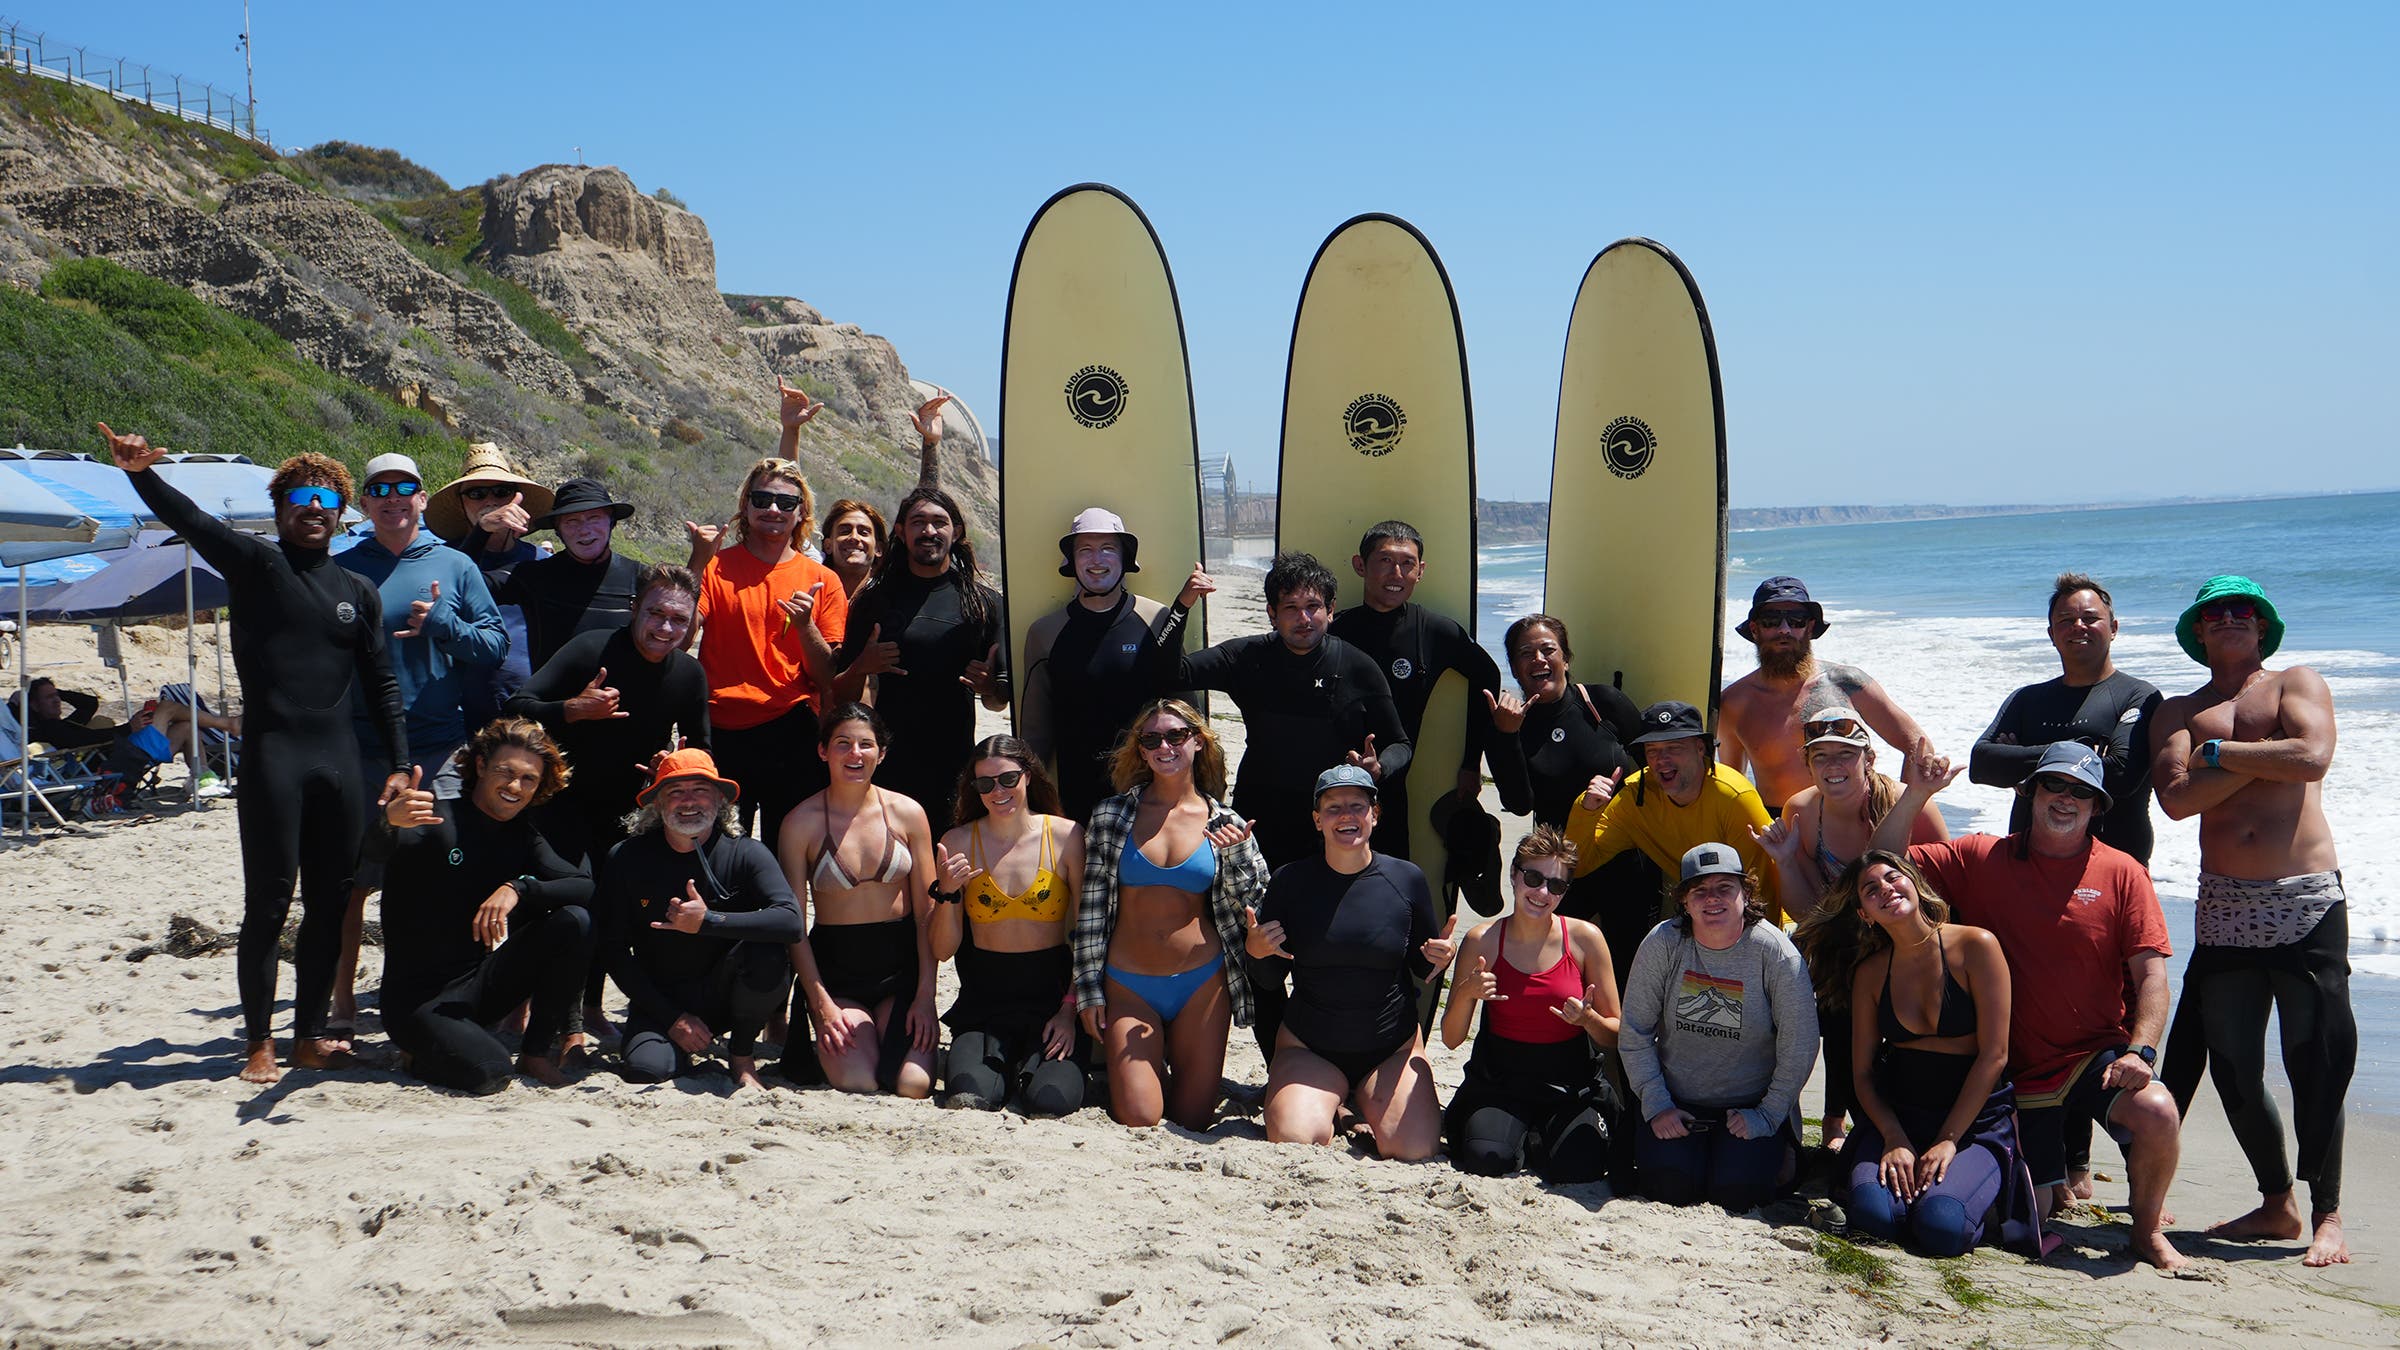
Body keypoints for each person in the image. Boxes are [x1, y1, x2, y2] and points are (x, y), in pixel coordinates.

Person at [100, 423, 410, 1084]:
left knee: (333, 905)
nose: (313, 510)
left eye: (326, 501)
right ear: (280, 509)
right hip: (275, 760)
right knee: (268, 905)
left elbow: (382, 683)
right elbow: (192, 520)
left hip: (341, 764)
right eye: (300, 499)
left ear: (341, 513)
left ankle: (308, 1037)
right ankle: (259, 1043)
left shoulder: (359, 592)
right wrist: (139, 473)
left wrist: (403, 761)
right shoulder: (255, 565)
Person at [1869, 744, 2187, 1271]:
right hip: (2008, 1074)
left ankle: (2147, 1229)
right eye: (2055, 786)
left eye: (2082, 792)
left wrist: (2142, 1050)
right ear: (2030, 792)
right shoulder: (1981, 858)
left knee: (2156, 1110)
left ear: (2097, 807)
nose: (2067, 799)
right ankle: (2037, 1183)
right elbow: (1881, 865)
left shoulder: (2123, 872)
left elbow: (2152, 973)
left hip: (2090, 1057)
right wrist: (1919, 794)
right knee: (2027, 1225)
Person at [2153, 576, 2353, 1267]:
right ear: (2198, 632)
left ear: (2262, 627)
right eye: (2216, 613)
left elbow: (2313, 757)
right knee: (2233, 1065)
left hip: (2304, 900)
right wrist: (2265, 758)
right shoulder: (2177, 710)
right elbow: (2177, 802)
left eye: (2244, 611)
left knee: (2316, 1060)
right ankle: (2277, 1203)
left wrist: (2220, 754)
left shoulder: (2297, 681)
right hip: (2223, 905)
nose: (2231, 619)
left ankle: (2327, 1214)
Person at [1145, 552, 1410, 1061]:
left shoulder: (1356, 665)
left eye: (1313, 606)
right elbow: (1165, 671)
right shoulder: (1249, 657)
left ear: (1331, 610)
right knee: (1260, 955)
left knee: (1328, 952)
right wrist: (1182, 605)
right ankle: (1282, 1066)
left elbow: (1400, 743)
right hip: (1258, 830)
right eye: (1290, 607)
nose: (1303, 617)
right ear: (1271, 612)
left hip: (1331, 834)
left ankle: (1334, 1058)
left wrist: (1380, 770)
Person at [331, 451, 508, 1039]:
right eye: (378, 488)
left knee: (447, 875)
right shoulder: (341, 564)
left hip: (440, 746)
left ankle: (447, 995)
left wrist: (441, 625)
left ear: (423, 498)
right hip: (360, 747)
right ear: (365, 502)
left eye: (404, 486)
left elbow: (493, 645)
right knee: (353, 883)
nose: (392, 497)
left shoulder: (455, 565)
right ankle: (341, 1005)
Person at [1796, 851, 2045, 1257]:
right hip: (1900, 1118)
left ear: (1914, 882)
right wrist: (1893, 1137)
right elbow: (1862, 1073)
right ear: (1865, 914)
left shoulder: (1976, 945)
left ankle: (1978, 1200)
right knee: (1875, 1218)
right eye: (1871, 890)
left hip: (1974, 1125)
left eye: (1893, 878)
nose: (1886, 890)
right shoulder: (1871, 973)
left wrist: (1948, 1139)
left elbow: (1994, 1056)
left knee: (1940, 1227)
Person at [507, 564, 712, 1047]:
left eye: (679, 620)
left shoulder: (688, 673)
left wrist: (675, 763)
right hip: (562, 801)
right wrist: (572, 709)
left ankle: (589, 1011)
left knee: (609, 909)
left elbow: (702, 746)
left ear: (691, 626)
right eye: (655, 613)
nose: (665, 628)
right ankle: (518, 1005)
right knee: (547, 898)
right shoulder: (591, 649)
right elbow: (517, 703)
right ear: (634, 609)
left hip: (626, 810)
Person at [1752, 705, 1949, 1152]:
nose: (1833, 766)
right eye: (1820, 756)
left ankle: (1890, 1116)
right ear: (1807, 764)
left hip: (1908, 937)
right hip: (1841, 938)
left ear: (1869, 759)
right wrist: (1784, 861)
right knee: (1828, 995)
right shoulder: (1802, 810)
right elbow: (1808, 912)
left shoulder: (1912, 803)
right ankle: (1830, 1118)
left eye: (1846, 754)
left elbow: (1945, 892)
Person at [1072, 699, 1268, 1129]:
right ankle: (1146, 1071)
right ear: (1140, 750)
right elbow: (1090, 910)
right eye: (1152, 738)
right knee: (1140, 1116)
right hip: (1128, 983)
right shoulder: (1111, 815)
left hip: (1203, 982)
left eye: (1176, 736)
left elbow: (1254, 907)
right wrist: (1089, 990)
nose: (1165, 746)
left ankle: (1163, 1068)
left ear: (1198, 742)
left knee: (1192, 1119)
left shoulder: (1226, 822)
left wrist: (1234, 856)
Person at [377, 718, 593, 1094]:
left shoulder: (522, 834)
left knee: (575, 921)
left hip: (479, 987)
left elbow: (583, 886)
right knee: (490, 1073)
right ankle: (417, 1054)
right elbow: (366, 856)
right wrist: (386, 824)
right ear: (480, 766)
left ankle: (536, 1052)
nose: (514, 787)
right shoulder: (433, 820)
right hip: (419, 1002)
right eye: (505, 772)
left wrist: (518, 887)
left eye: (528, 779)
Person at [1244, 766, 1448, 1162]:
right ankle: (1335, 1104)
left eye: (1357, 805)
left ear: (1375, 814)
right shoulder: (1290, 881)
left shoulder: (1406, 879)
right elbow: (1269, 980)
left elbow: (1422, 967)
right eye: (1333, 807)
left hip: (1392, 1047)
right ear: (1318, 819)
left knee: (1413, 1148)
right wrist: (1256, 950)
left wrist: (1440, 958)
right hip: (1311, 1046)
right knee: (1294, 1138)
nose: (1346, 815)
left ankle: (1360, 1101)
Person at [1617, 844, 1817, 1212]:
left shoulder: (1775, 953)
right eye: (1699, 890)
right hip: (1676, 1100)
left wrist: (1769, 1114)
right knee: (1669, 1186)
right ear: (1684, 902)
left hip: (1751, 1104)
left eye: (1725, 887)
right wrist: (1657, 1104)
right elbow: (1634, 1031)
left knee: (1738, 1191)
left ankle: (1784, 1145)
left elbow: (1800, 1045)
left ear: (1746, 893)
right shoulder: (1663, 943)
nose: (1712, 899)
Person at [598, 749, 803, 1091]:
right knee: (646, 1069)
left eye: (700, 790)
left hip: (728, 992)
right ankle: (678, 1042)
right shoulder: (627, 858)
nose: (688, 801)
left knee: (768, 953)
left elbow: (791, 922)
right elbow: (612, 950)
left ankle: (741, 1053)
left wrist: (709, 921)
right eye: (675, 792)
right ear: (657, 804)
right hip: (661, 997)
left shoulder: (746, 853)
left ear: (720, 800)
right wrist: (672, 1019)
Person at [1438, 826, 1620, 1182]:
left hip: (1570, 1083)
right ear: (1514, 874)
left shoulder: (1585, 938)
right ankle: (1521, 1133)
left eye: (1556, 885)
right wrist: (1465, 992)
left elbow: (1615, 1033)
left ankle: (1538, 1135)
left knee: (1578, 1168)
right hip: (1501, 1082)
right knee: (1486, 1159)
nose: (1542, 892)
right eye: (1533, 878)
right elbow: (1450, 1039)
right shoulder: (1483, 940)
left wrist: (1588, 1019)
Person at [778, 703, 940, 1098]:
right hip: (838, 974)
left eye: (866, 745)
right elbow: (793, 927)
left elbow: (927, 915)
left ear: (881, 753)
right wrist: (822, 1005)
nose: (855, 754)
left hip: (901, 970)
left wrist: (925, 996)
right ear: (823, 751)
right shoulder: (800, 822)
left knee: (913, 1086)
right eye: (843, 744)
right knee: (859, 1082)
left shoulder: (908, 813)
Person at [686, 449, 848, 844]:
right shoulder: (715, 567)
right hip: (720, 730)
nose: (773, 508)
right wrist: (696, 560)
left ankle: (784, 910)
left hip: (790, 731)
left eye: (786, 502)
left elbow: (829, 675)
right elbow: (682, 636)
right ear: (745, 506)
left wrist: (805, 624)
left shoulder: (823, 579)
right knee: (717, 849)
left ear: (801, 513)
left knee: (788, 853)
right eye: (762, 499)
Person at [1559, 700, 1777, 986]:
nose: (1662, 760)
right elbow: (1581, 863)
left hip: (1752, 919)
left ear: (1701, 748)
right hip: (1692, 915)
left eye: (1674, 748)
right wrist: (1586, 810)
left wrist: (1759, 961)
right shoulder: (1636, 797)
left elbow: (1763, 889)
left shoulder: (1735, 798)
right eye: (1653, 751)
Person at [834, 485, 1009, 837]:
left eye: (939, 522)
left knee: (948, 874)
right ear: (901, 531)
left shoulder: (984, 603)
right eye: (918, 522)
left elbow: (998, 701)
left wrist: (989, 686)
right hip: (889, 767)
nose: (929, 531)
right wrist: (863, 666)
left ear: (956, 531)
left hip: (955, 766)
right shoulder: (874, 600)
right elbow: (841, 696)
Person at [928, 736, 1088, 1116]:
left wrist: (1069, 1010)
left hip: (1053, 999)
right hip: (985, 1002)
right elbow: (942, 949)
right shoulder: (958, 842)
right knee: (968, 1099)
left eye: (1007, 779)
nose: (997, 791)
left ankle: (1032, 1066)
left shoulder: (1066, 836)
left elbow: (1087, 931)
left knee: (1051, 1103)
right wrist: (947, 894)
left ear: (1028, 776)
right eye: (984, 784)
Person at [1327, 519, 1502, 859]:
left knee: (1387, 882)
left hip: (1391, 787)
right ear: (1360, 565)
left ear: (1420, 571)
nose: (1397, 573)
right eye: (1385, 561)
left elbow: (1488, 679)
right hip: (1328, 784)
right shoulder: (1336, 631)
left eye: (1407, 563)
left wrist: (1471, 762)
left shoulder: (1434, 632)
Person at [1971, 573, 2161, 864]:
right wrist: (2084, 750)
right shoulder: (2027, 699)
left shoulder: (2139, 697)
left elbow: (2121, 775)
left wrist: (2026, 769)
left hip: (2115, 869)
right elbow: (1982, 763)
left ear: (2114, 628)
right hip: (2028, 867)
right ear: (2051, 634)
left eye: (2090, 618)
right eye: (2066, 620)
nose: (2078, 626)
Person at [1018, 508, 1195, 819]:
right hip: (1077, 794)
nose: (1096, 560)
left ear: (1125, 558)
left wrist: (1199, 791)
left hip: (1153, 793)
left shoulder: (1157, 620)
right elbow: (1035, 731)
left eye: (1108, 549)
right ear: (1071, 561)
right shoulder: (1045, 633)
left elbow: (1188, 712)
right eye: (1084, 550)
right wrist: (1028, 803)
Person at [1485, 613, 1650, 930]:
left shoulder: (1603, 703)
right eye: (1525, 653)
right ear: (1515, 667)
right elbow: (1520, 803)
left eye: (1548, 650)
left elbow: (1652, 765)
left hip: (1626, 861)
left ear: (1566, 659)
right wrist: (1506, 737)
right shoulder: (1507, 727)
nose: (1538, 659)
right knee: (1562, 966)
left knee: (1627, 966)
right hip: (1558, 869)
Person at [1717, 576, 1933, 813]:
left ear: (1809, 627)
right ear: (1755, 629)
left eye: (1796, 620)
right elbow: (1732, 783)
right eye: (1771, 621)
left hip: (1853, 825)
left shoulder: (1848, 683)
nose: (1784, 630)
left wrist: (1902, 814)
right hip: (1779, 829)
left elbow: (1918, 745)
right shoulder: (1734, 702)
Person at [425, 443, 553, 728]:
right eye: (477, 494)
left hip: (529, 709)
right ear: (462, 503)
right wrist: (482, 531)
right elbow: (445, 593)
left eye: (501, 492)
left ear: (515, 498)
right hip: (459, 715)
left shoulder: (540, 560)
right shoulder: (443, 558)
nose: (491, 501)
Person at [475, 476, 645, 674]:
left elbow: (675, 635)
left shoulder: (641, 578)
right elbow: (460, 585)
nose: (584, 530)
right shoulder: (534, 576)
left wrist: (692, 559)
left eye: (594, 518)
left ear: (612, 522)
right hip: (549, 704)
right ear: (558, 532)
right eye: (572, 521)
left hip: (623, 703)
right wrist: (482, 530)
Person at [11, 678, 237, 791]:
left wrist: (53, 689)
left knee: (187, 728)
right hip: (120, 760)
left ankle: (201, 776)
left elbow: (89, 704)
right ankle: (226, 724)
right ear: (34, 706)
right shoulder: (50, 729)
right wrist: (128, 728)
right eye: (49, 698)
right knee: (166, 707)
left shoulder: (66, 723)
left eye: (56, 696)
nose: (57, 700)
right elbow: (83, 742)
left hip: (127, 755)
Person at [819, 498, 887, 599]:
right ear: (828, 545)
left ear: (878, 548)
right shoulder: (811, 592)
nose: (854, 537)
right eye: (845, 531)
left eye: (863, 533)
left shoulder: (891, 600)